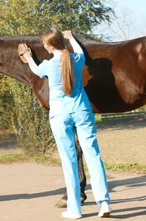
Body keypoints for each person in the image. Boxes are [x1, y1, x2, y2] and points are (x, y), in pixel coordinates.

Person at [18, 29, 111, 219]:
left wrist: (28, 57)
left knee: (69, 162)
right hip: (82, 111)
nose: (44, 46)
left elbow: (35, 70)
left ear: (50, 46)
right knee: (93, 155)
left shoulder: (48, 65)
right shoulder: (76, 60)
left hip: (60, 115)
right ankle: (104, 203)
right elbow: (81, 52)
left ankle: (75, 210)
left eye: (45, 43)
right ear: (62, 42)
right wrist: (71, 38)